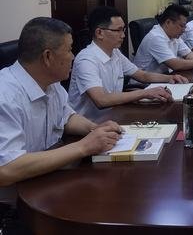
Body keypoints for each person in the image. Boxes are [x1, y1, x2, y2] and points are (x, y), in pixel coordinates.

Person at [0, 17, 121, 188]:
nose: (73, 56)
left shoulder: (51, 82)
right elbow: (6, 169)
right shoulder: (5, 95)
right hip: (16, 192)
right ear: (48, 57)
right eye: (69, 50)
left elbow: (66, 117)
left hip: (47, 176)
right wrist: (84, 146)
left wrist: (94, 129)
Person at [68, 6, 188, 121]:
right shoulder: (86, 60)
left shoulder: (115, 53)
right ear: (99, 33)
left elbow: (142, 75)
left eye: (123, 30)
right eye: (118, 30)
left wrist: (170, 78)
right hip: (90, 125)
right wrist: (145, 93)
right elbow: (102, 100)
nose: (123, 35)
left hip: (114, 115)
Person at [133, 4, 193, 73]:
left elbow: (190, 54)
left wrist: (191, 61)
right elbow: (175, 65)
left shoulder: (174, 35)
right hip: (145, 85)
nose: (184, 30)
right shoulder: (156, 37)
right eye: (181, 26)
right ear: (168, 22)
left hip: (164, 78)